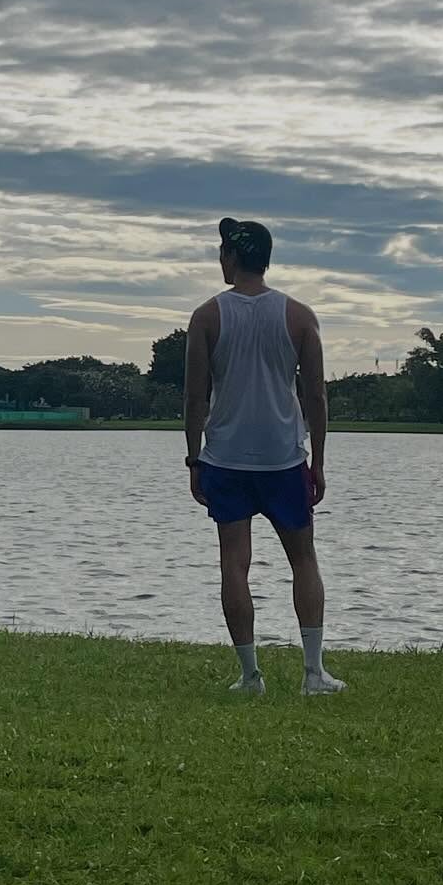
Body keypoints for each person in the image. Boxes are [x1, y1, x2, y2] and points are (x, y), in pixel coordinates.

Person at [184, 217, 346, 696]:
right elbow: (315, 395)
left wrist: (194, 460)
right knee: (304, 560)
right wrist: (317, 461)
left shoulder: (206, 316)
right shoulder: (299, 316)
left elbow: (196, 398)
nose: (219, 260)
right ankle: (313, 673)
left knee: (234, 563)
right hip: (283, 457)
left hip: (227, 457)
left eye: (221, 252)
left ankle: (250, 675)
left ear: (232, 258)